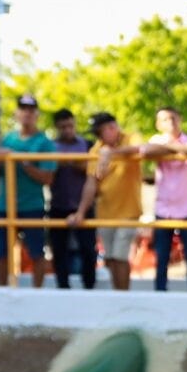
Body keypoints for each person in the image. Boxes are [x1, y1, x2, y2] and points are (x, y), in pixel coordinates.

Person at [68, 112, 142, 291]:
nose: (104, 134)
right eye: (100, 132)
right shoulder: (96, 150)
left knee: (120, 257)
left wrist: (112, 153)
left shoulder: (130, 138)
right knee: (109, 259)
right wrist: (81, 212)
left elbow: (140, 148)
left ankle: (123, 297)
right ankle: (117, 295)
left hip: (128, 211)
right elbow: (91, 183)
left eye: (107, 128)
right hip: (106, 212)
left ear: (114, 126)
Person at [0, 94, 56, 287]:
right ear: (17, 113)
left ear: (37, 114)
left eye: (31, 110)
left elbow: (47, 178)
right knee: (1, 253)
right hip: (4, 205)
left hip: (32, 206)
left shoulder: (44, 143)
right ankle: (2, 291)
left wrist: (19, 159)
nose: (26, 113)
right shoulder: (8, 139)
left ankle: (37, 293)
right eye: (23, 109)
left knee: (36, 252)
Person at [140, 107, 187, 292]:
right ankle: (160, 293)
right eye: (165, 120)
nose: (170, 123)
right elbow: (146, 151)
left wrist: (168, 148)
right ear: (158, 124)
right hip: (164, 209)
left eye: (173, 119)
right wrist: (175, 148)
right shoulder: (156, 140)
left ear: (180, 120)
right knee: (162, 257)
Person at [48, 109, 95, 289]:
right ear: (57, 128)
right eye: (63, 127)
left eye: (70, 125)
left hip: (84, 205)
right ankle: (63, 287)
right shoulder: (50, 146)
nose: (67, 130)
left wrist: (69, 161)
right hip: (58, 205)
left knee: (88, 250)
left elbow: (91, 168)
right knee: (59, 251)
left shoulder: (87, 144)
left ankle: (89, 287)